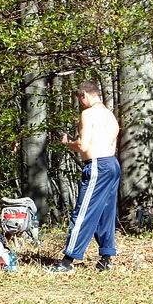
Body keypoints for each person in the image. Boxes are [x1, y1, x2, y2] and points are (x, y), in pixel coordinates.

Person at [48, 80, 121, 273]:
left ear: (84, 96)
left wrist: (68, 142)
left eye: (80, 99)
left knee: (83, 213)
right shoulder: (110, 115)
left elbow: (83, 145)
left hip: (97, 165)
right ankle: (106, 258)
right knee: (105, 213)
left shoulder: (88, 114)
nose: (81, 103)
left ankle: (68, 260)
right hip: (112, 164)